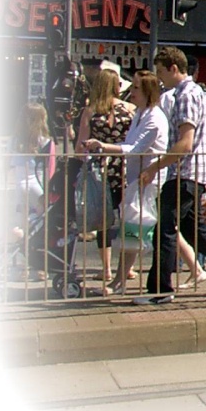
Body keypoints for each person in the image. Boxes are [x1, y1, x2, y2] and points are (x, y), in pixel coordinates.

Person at [136, 46, 206, 304]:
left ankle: (160, 290)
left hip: (184, 173)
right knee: (194, 231)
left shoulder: (185, 96)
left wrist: (154, 167)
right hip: (194, 173)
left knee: (165, 230)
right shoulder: (197, 94)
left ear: (174, 68)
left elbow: (185, 143)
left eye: (161, 72)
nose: (159, 78)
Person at [84, 70, 168, 296]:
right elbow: (130, 144)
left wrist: (104, 146)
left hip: (148, 181)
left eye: (137, 88)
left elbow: (136, 149)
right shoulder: (140, 113)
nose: (132, 91)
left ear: (148, 91)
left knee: (134, 231)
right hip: (137, 180)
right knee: (139, 230)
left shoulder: (154, 118)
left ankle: (120, 282)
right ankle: (120, 281)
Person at [76, 66, 135, 282]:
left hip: (100, 170)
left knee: (104, 221)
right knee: (128, 217)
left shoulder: (90, 111)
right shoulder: (130, 110)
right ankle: (127, 267)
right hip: (125, 167)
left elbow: (80, 146)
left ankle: (107, 268)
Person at [8, 102, 55, 223]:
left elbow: (8, 163)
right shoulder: (46, 142)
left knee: (19, 221)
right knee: (42, 220)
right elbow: (51, 168)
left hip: (19, 184)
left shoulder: (14, 141)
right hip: (38, 184)